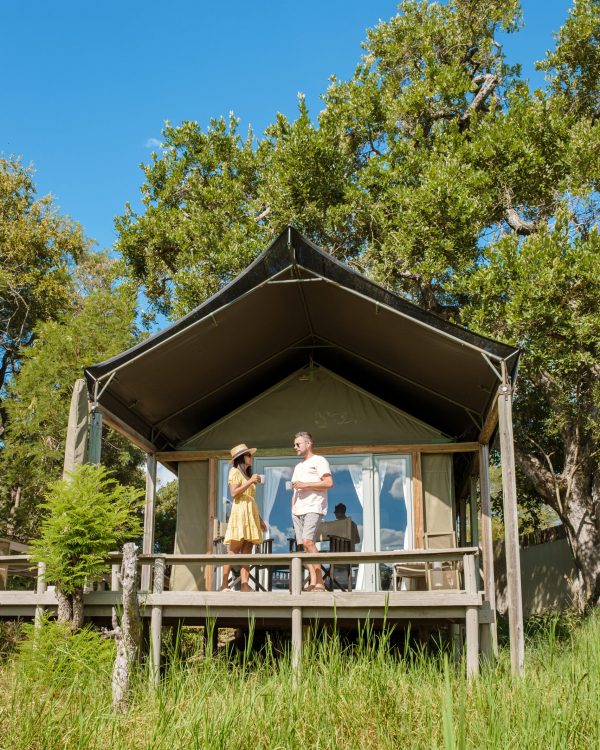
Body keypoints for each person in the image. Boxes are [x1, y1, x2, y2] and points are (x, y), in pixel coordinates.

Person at [290, 431, 333, 592]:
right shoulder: (298, 466)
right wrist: (292, 509)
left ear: (308, 444)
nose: (295, 447)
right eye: (294, 444)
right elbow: (296, 489)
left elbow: (329, 483)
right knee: (305, 547)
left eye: (297, 444)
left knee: (308, 542)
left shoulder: (319, 460)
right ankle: (312, 583)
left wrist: (306, 485)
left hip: (313, 507)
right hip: (298, 510)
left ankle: (320, 583)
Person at [221, 443, 267, 592]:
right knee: (234, 550)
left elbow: (250, 499)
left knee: (248, 550)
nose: (251, 457)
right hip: (240, 513)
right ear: (241, 458)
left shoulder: (247, 475)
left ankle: (245, 585)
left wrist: (259, 519)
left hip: (251, 514)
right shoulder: (234, 471)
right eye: (248, 455)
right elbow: (234, 493)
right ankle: (224, 584)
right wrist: (250, 481)